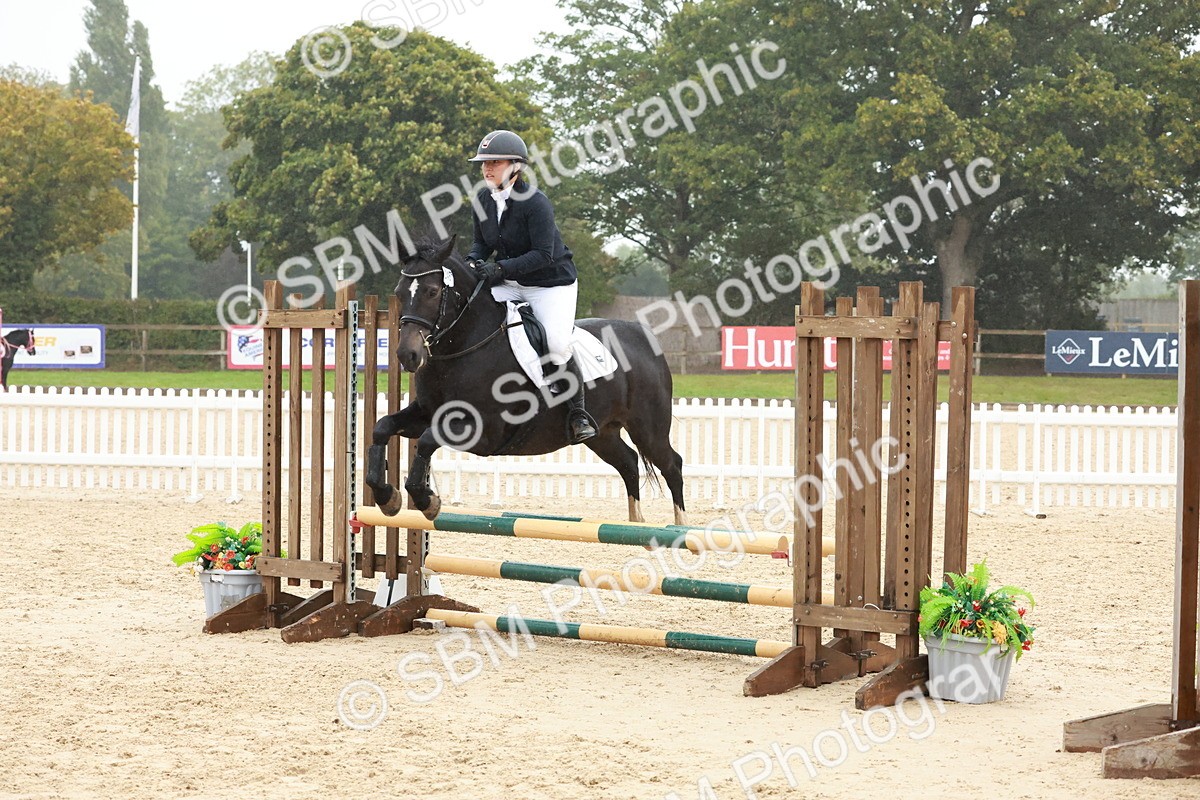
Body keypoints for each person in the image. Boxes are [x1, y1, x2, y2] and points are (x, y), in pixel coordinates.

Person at [465, 129, 597, 443]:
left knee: (556, 344)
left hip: (550, 285)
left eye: (494, 162)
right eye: (484, 163)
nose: (487, 168)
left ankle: (578, 413)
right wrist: (472, 262)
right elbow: (481, 244)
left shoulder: (536, 203)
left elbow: (543, 254)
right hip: (509, 282)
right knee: (474, 319)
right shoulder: (482, 199)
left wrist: (499, 268)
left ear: (516, 167)